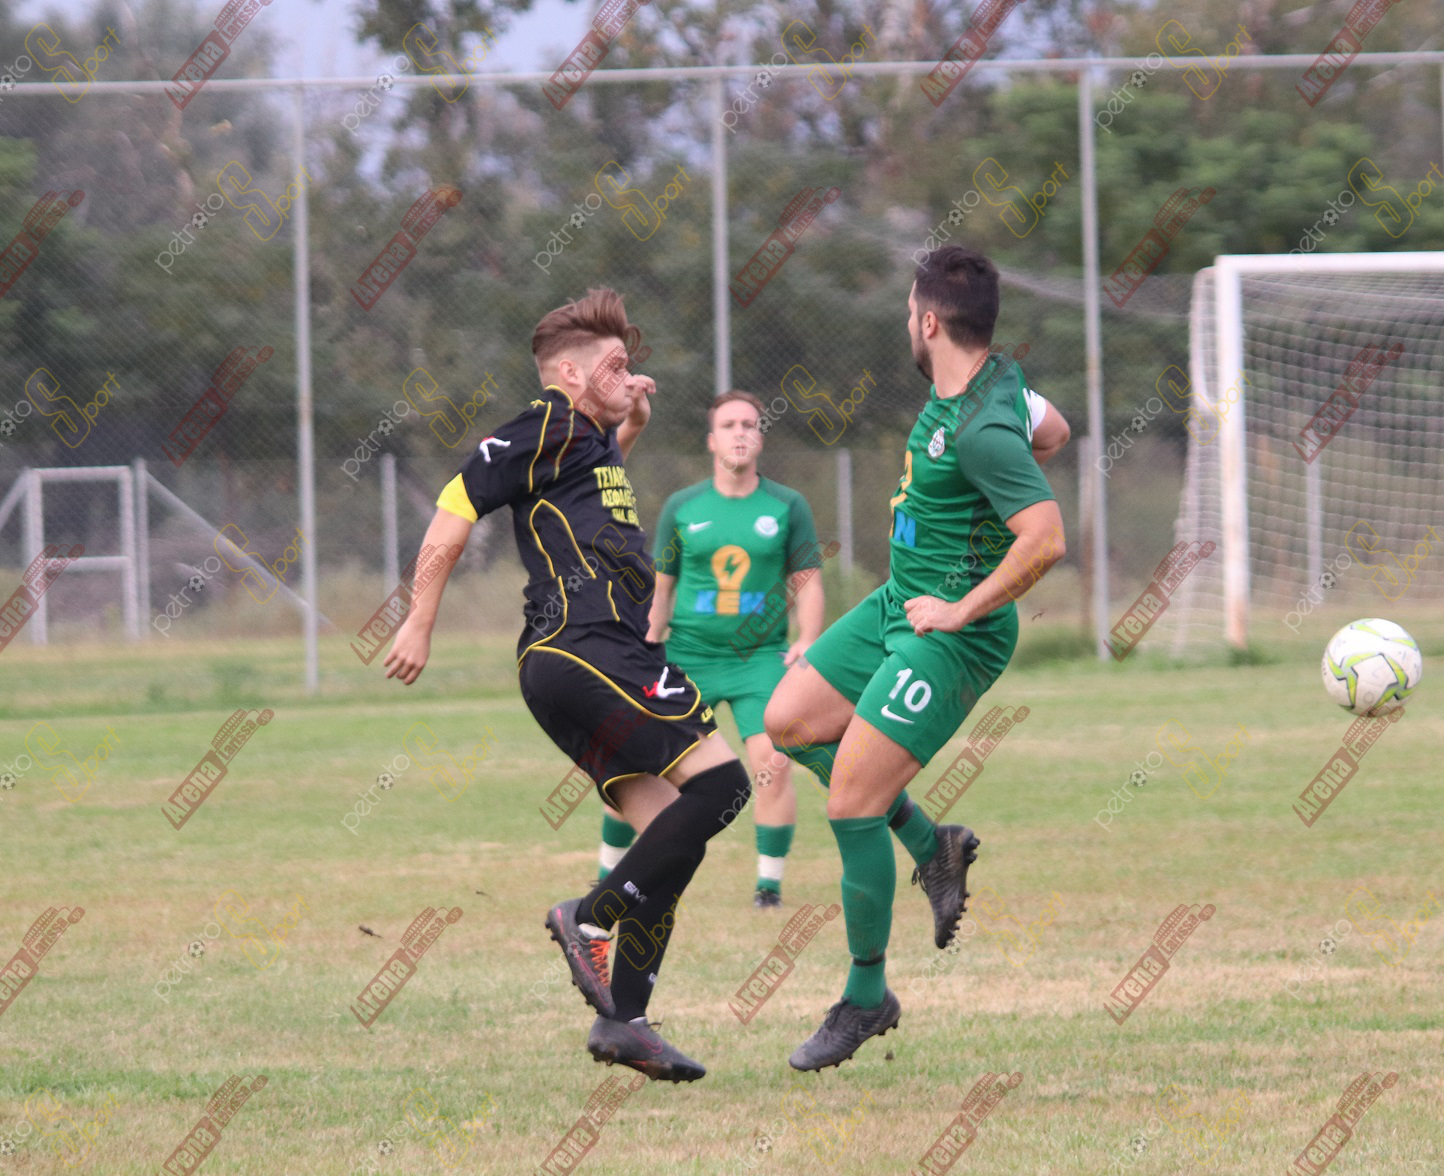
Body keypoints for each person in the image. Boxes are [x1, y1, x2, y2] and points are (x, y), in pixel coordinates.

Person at [383, 287, 754, 1084]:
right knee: (725, 786)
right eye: (614, 366)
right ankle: (586, 917)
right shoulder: (544, 423)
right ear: (570, 375)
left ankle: (625, 1023)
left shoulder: (583, 440)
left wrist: (630, 423)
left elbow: (590, 487)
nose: (630, 375)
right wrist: (419, 619)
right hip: (585, 646)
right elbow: (454, 507)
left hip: (588, 656)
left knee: (667, 843)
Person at [765, 244, 1070, 1071]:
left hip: (950, 634)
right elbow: (1056, 431)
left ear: (930, 323)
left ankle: (866, 997)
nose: (907, 322)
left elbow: (1045, 539)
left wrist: (965, 604)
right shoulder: (1001, 385)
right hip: (897, 604)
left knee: (851, 805)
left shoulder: (982, 429)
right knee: (787, 721)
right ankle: (934, 846)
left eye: (909, 311)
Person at [592, 390, 826, 909]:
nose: (740, 432)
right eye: (729, 425)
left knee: (772, 763)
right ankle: (606, 877)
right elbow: (663, 586)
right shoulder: (684, 506)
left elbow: (807, 580)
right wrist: (646, 641)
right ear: (711, 441)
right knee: (635, 761)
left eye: (749, 424)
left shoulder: (787, 505)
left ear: (760, 437)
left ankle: (768, 888)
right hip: (687, 656)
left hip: (759, 659)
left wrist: (808, 638)